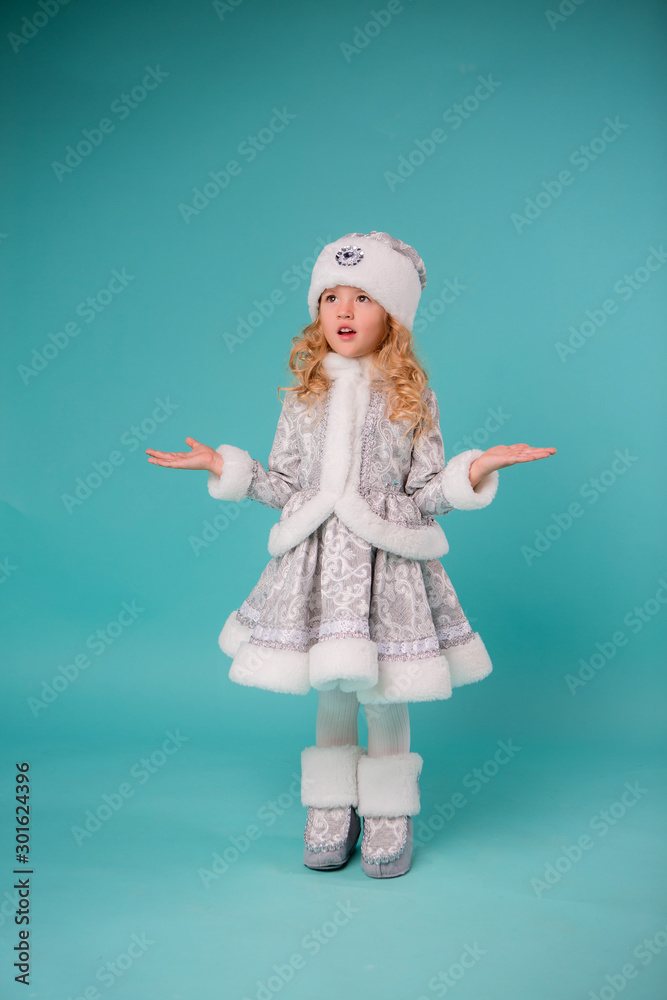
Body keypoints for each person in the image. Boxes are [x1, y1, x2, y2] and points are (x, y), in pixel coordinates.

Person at [146, 231, 556, 879]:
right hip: (317, 563)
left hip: (385, 568)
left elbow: (424, 491)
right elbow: (282, 485)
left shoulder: (412, 397)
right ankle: (331, 806)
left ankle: (389, 810)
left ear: (391, 315)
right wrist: (224, 465)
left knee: (384, 690)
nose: (342, 311)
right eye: (330, 297)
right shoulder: (303, 396)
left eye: (362, 298)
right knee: (332, 687)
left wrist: (475, 469)